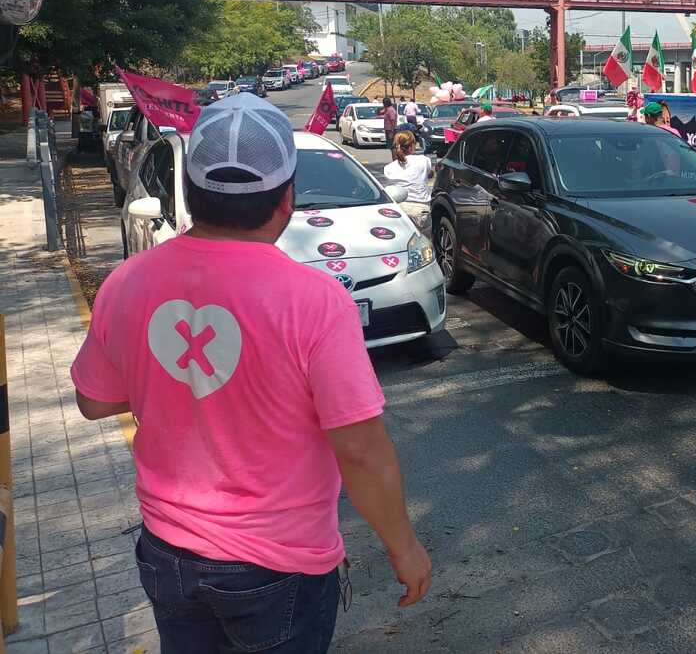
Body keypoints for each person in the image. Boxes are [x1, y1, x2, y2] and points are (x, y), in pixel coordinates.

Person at [70, 95, 431, 651]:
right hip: (276, 565)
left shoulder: (128, 282)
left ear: (188, 191)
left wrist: (175, 386)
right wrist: (403, 546)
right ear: (286, 198)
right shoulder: (314, 301)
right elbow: (359, 448)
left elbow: (94, 401)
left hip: (168, 550)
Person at [385, 130, 433, 234]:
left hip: (400, 211)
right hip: (420, 210)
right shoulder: (423, 160)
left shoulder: (389, 168)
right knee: (425, 242)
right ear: (411, 146)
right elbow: (430, 174)